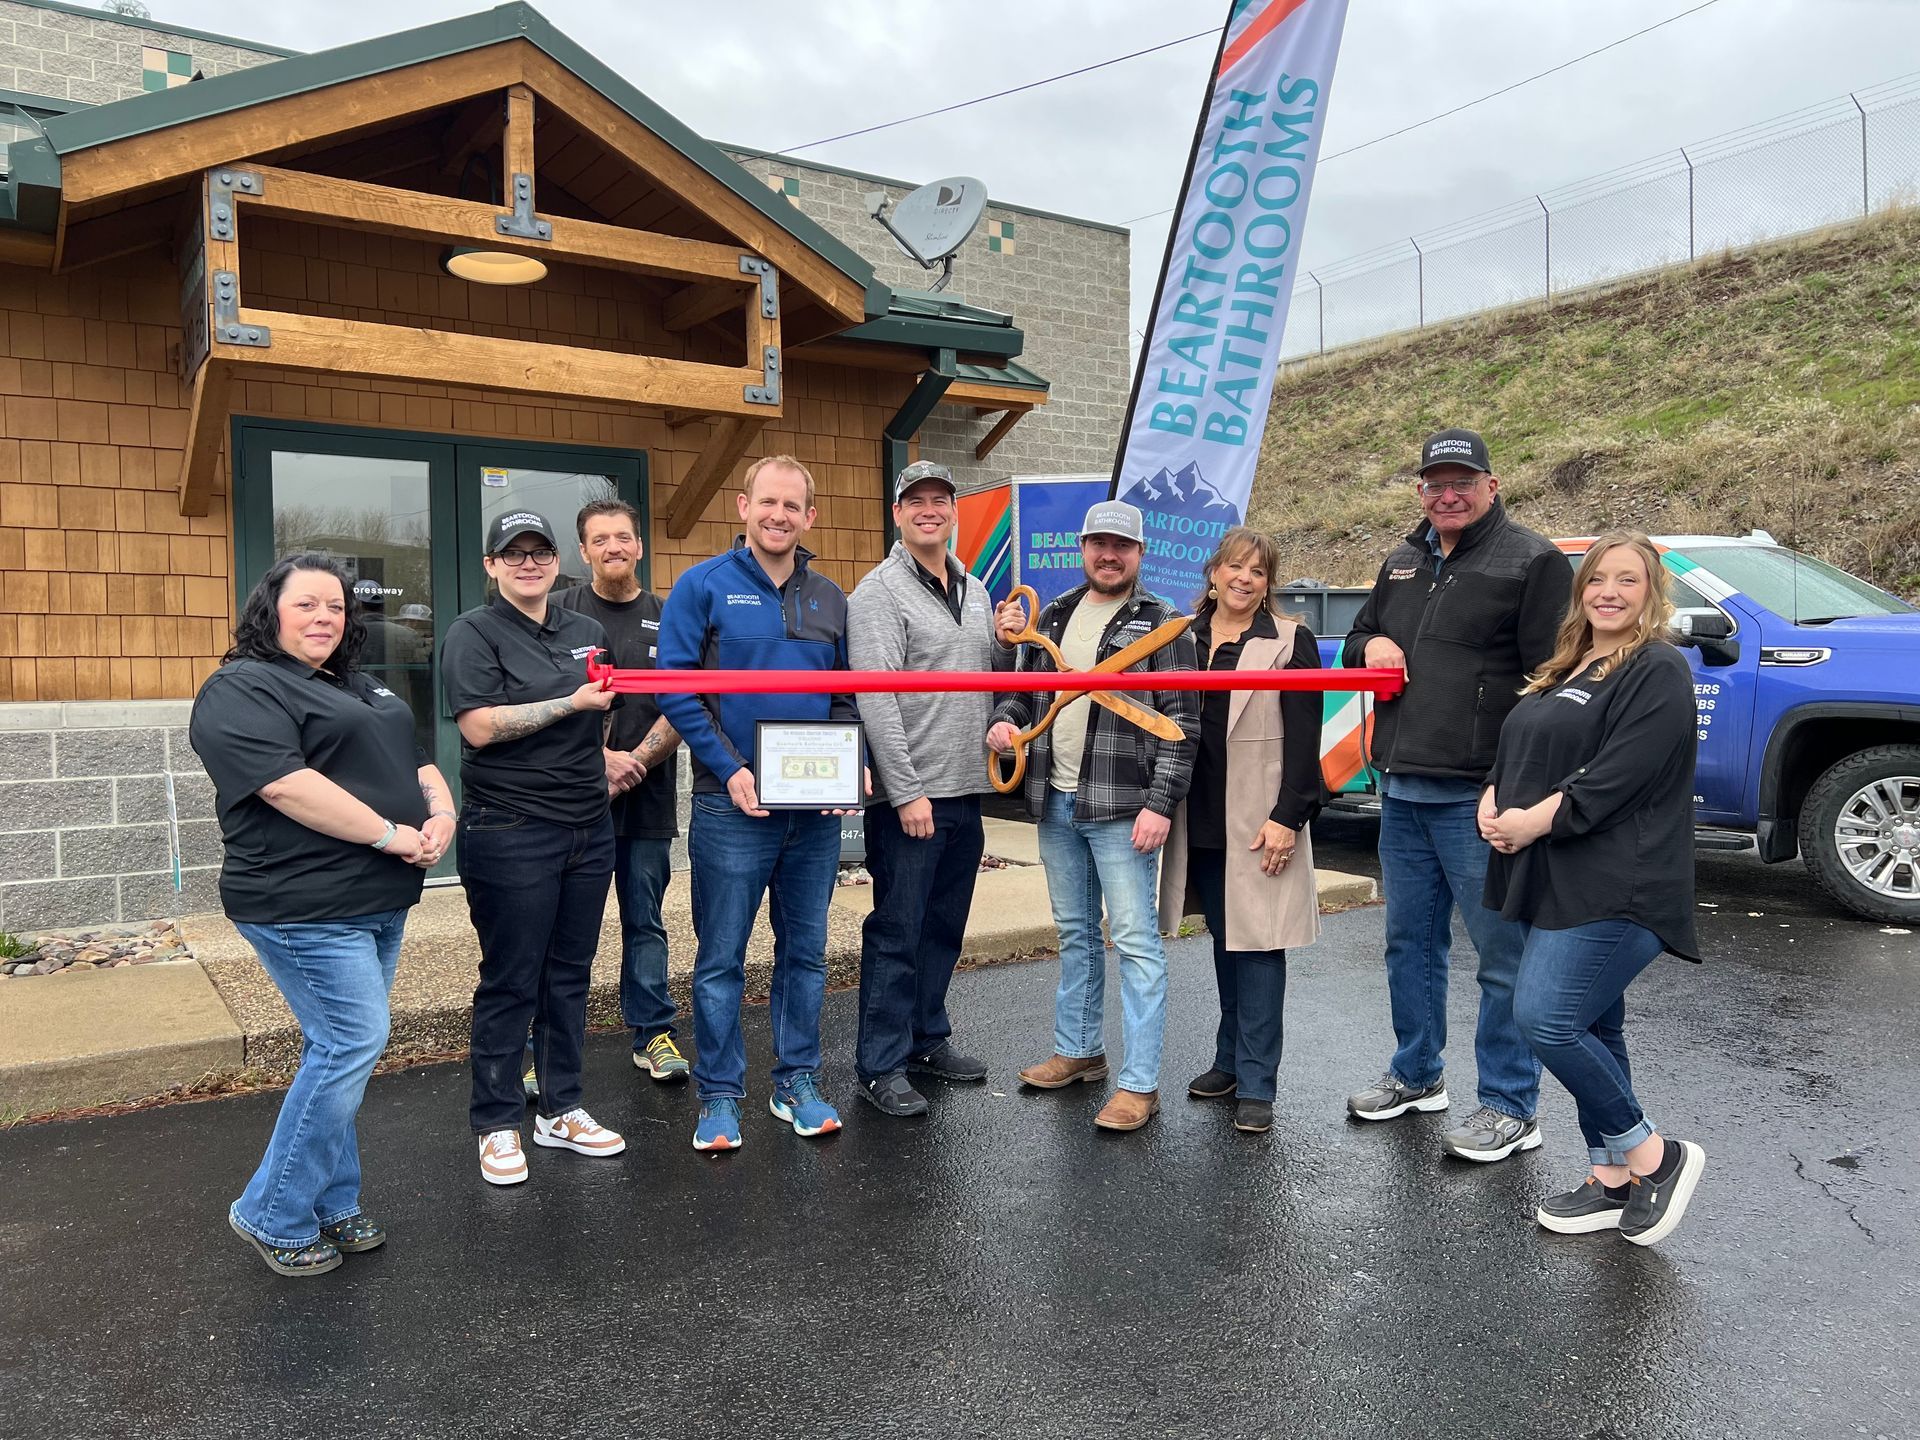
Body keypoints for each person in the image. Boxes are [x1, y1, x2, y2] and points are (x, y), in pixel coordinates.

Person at [190, 552, 452, 1276]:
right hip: (301, 902)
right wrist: (390, 833)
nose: (325, 618)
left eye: (335, 607)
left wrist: (440, 811)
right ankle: (271, 1211)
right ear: (270, 610)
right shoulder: (240, 688)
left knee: (338, 1051)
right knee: (351, 1042)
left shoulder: (357, 685)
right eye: (307, 604)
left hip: (377, 901)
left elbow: (416, 756)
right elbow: (287, 787)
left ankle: (332, 1203)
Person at [1340, 428, 1574, 1162]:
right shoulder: (1402, 561)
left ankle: (1510, 1105)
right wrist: (1370, 645)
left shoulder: (1530, 561)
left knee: (1502, 955)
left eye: (1462, 481)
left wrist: (1514, 786)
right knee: (1409, 943)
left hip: (1481, 796)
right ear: (1420, 491)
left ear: (1491, 486)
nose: (1449, 493)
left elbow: (1552, 683)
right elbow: (1357, 640)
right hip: (1403, 788)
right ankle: (1417, 1075)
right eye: (1435, 481)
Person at [1481, 530, 1707, 1244]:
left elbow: (1614, 777)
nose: (1609, 591)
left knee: (1545, 1017)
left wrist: (1533, 822)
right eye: (1597, 579)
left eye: (1628, 580)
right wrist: (1493, 798)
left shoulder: (1656, 669)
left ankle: (1656, 1156)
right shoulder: (1570, 665)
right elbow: (1526, 749)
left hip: (1622, 882)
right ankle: (1612, 1179)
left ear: (1652, 594)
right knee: (1596, 1026)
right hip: (1558, 877)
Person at [656, 455, 858, 1152]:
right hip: (729, 806)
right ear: (742, 507)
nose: (778, 515)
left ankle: (796, 1081)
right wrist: (729, 769)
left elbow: (843, 697)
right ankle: (718, 1095)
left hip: (811, 816)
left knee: (805, 955)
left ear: (810, 516)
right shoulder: (701, 586)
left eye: (791, 505)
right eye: (766, 502)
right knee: (721, 960)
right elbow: (674, 688)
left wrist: (845, 768)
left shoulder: (832, 597)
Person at [988, 500, 1199, 1132]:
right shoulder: (1052, 615)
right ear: (1083, 548)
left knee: (1135, 943)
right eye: (1098, 544)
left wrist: (1160, 804)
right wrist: (1006, 722)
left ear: (1139, 554)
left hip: (1123, 807)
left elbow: (1182, 724)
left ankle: (1140, 1084)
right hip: (1056, 798)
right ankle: (1079, 1051)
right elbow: (1023, 694)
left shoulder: (1164, 625)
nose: (1109, 555)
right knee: (1076, 934)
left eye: (1121, 546)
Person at [442, 509, 625, 1186]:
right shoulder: (473, 633)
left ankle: (561, 1108)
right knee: (512, 978)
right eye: (512, 553)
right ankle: (495, 1121)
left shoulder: (586, 630)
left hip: (587, 826)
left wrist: (600, 757)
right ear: (491, 565)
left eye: (539, 551)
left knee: (569, 975)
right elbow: (481, 727)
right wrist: (570, 704)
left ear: (556, 561)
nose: (527, 562)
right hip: (510, 828)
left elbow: (605, 709)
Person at [846, 460, 1023, 1117]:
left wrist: (1005, 692)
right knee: (897, 930)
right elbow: (876, 699)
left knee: (943, 929)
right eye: (915, 500)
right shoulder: (878, 593)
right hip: (911, 801)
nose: (929, 509)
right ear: (897, 513)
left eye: (939, 500)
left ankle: (927, 1039)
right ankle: (880, 1064)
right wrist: (905, 790)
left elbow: (996, 678)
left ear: (952, 512)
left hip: (964, 790)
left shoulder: (976, 591)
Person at [1157, 526, 1324, 1135]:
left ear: (1267, 583)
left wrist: (1289, 816)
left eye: (1257, 571)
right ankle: (1228, 1062)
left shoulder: (1288, 640)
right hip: (1195, 810)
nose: (1243, 578)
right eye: (1234, 566)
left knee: (1259, 946)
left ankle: (1257, 1082)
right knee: (1226, 939)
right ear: (1213, 571)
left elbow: (1307, 738)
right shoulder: (1181, 634)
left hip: (1258, 816)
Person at [550, 498, 689, 1084]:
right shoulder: (554, 612)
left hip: (646, 796)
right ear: (583, 551)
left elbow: (687, 703)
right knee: (559, 927)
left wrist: (631, 761)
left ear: (638, 546)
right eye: (600, 539)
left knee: (646, 921)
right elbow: (542, 701)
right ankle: (550, 1047)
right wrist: (594, 762)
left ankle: (653, 1033)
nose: (613, 547)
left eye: (623, 537)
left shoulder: (668, 613)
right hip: (569, 801)